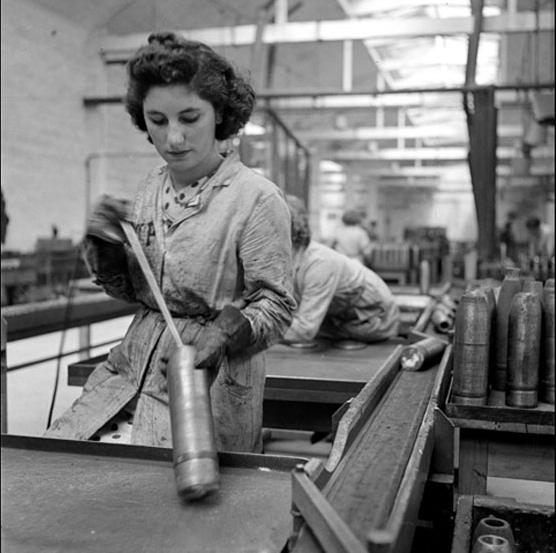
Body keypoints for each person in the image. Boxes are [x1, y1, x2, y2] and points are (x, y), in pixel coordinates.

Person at [45, 31, 296, 453]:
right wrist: (105, 249)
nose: (173, 139)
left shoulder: (255, 198)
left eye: (189, 118)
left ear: (219, 113)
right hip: (131, 370)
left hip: (208, 382)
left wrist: (225, 334)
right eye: (157, 121)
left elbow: (278, 306)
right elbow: (134, 291)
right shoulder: (150, 189)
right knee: (68, 458)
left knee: (176, 500)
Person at [282, 195, 400, 347]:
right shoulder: (359, 233)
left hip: (374, 321)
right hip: (353, 263)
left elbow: (305, 329)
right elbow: (367, 252)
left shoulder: (320, 261)